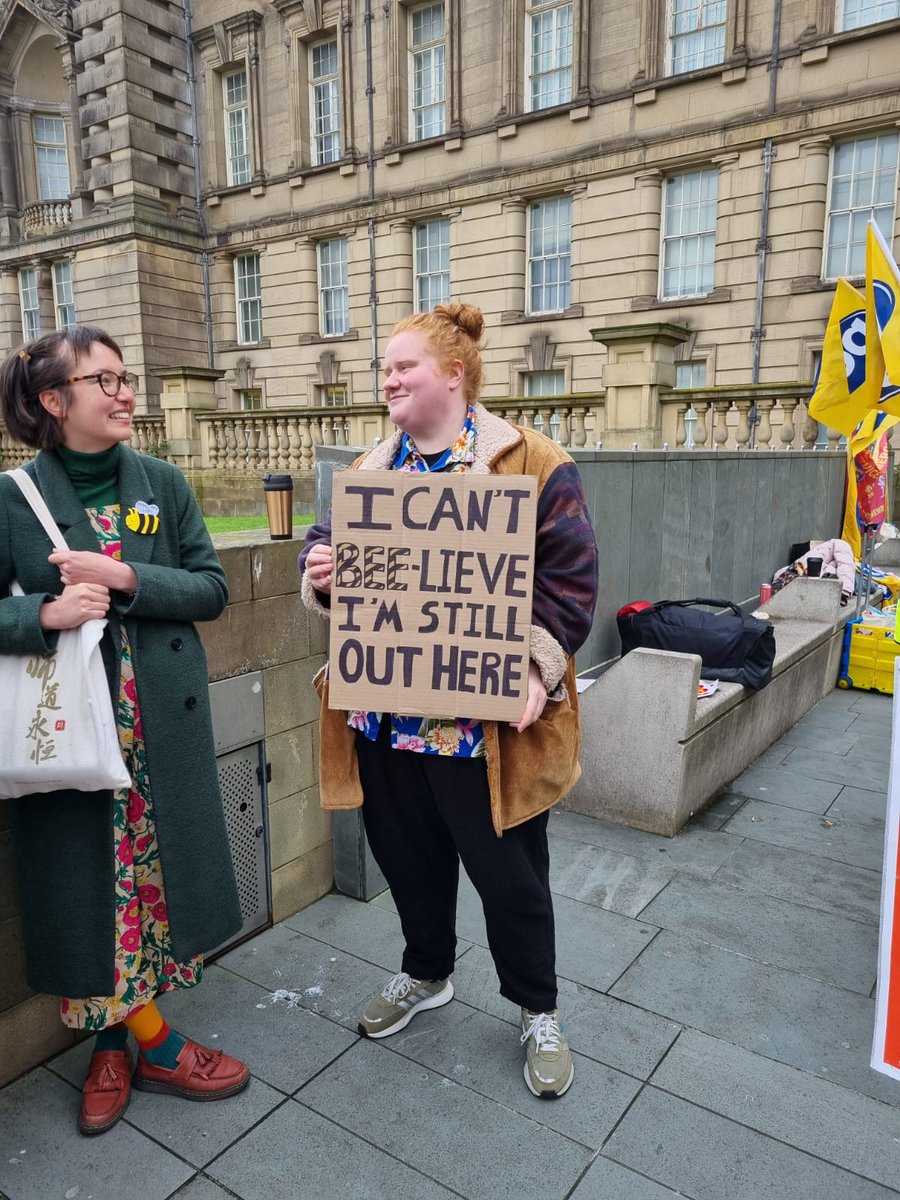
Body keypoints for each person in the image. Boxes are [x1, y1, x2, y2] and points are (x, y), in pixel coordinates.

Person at [299, 303, 598, 1098]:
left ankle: (538, 1009)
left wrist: (537, 673)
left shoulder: (531, 461)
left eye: (404, 367)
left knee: (511, 880)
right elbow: (322, 550)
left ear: (454, 374)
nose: (388, 380)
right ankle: (426, 973)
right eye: (386, 370)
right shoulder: (369, 469)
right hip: (385, 722)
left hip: (484, 732)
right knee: (409, 863)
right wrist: (322, 575)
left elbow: (570, 588)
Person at [0, 327, 249, 1135]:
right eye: (100, 379)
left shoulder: (162, 483)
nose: (122, 392)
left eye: (123, 376)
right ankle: (154, 1043)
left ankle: (115, 1042)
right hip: (68, 739)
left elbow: (212, 588)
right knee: (93, 891)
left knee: (151, 885)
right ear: (52, 400)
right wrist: (41, 611)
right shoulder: (14, 499)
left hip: (158, 735)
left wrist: (126, 576)